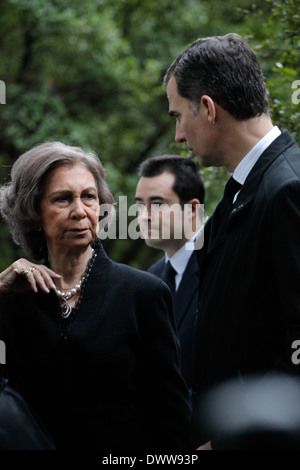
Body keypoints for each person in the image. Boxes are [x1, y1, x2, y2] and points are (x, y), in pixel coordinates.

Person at [0, 141, 191, 450]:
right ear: (34, 212)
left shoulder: (143, 293)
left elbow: (171, 416)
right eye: (63, 199)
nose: (80, 211)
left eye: (88, 197)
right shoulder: (13, 299)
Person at [163, 33, 300, 448]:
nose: (178, 137)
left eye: (177, 116)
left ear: (207, 108)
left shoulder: (287, 190)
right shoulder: (245, 191)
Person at [135, 155, 205, 388]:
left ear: (192, 209)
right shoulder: (151, 277)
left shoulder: (224, 263)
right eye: (139, 205)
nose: (144, 216)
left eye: (157, 205)